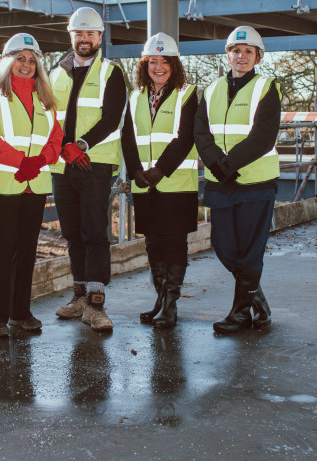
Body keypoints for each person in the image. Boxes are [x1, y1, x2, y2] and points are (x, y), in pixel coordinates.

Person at [193, 25, 281, 334]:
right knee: (224, 246)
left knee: (250, 250)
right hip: (221, 182)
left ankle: (241, 312)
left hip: (255, 183)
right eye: (235, 51)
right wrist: (217, 165)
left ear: (257, 57)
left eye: (247, 51)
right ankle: (256, 299)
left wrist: (228, 164)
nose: (240, 56)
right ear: (228, 55)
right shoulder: (213, 88)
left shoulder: (267, 87)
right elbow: (200, 132)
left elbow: (263, 137)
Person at [0, 33, 63, 338]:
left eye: (31, 60)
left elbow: (55, 140)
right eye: (20, 59)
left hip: (34, 184)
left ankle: (20, 312)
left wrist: (36, 164)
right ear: (7, 61)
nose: (26, 65)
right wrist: (20, 162)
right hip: (2, 183)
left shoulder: (46, 99)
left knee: (26, 250)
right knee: (1, 250)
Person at [49, 6, 127, 332]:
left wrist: (80, 144)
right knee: (71, 232)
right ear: (71, 35)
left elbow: (111, 117)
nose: (84, 39)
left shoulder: (111, 72)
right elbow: (48, 116)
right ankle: (79, 294)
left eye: (90, 34)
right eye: (78, 33)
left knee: (95, 231)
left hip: (93, 163)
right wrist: (61, 148)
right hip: (61, 165)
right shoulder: (55, 72)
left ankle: (96, 304)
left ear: (100, 37)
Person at [120, 33, 199, 330]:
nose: (159, 67)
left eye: (165, 61)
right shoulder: (136, 96)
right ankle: (160, 298)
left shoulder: (187, 94)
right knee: (153, 242)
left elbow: (185, 136)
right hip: (145, 184)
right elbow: (128, 137)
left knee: (174, 243)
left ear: (174, 65)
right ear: (145, 64)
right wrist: (136, 171)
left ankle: (171, 304)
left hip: (175, 183)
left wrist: (159, 170)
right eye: (153, 61)